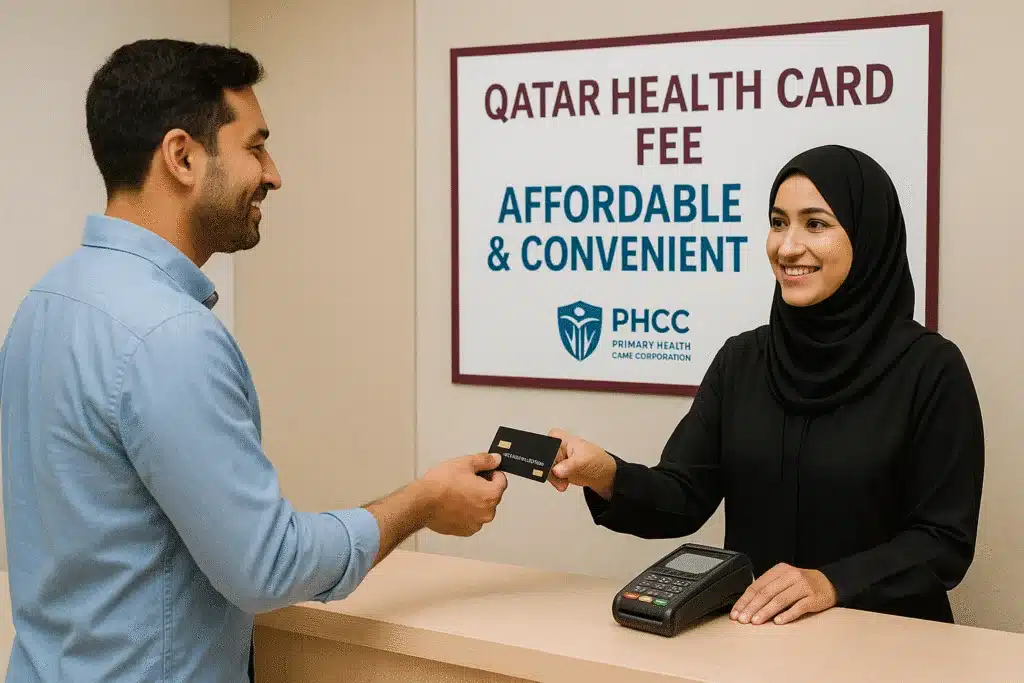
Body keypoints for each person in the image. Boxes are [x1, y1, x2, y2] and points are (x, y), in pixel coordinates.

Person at [0, 39, 507, 683]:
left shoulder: (46, 302)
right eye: (255, 145)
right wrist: (423, 502)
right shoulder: (169, 334)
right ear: (181, 156)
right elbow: (269, 568)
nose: (272, 173)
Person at [547, 144, 985, 627]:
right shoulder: (743, 361)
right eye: (778, 222)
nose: (787, 246)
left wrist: (831, 582)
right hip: (759, 647)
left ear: (868, 236)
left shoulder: (930, 369)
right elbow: (683, 497)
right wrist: (606, 474)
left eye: (815, 224)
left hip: (886, 646)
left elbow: (943, 542)